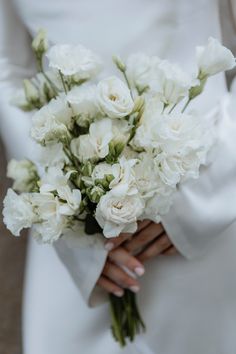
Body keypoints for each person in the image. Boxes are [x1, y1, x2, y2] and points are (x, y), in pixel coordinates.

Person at [0, 0, 236, 353]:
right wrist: (61, 202)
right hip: (72, 238)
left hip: (205, 196)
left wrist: (204, 194)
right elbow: (8, 67)